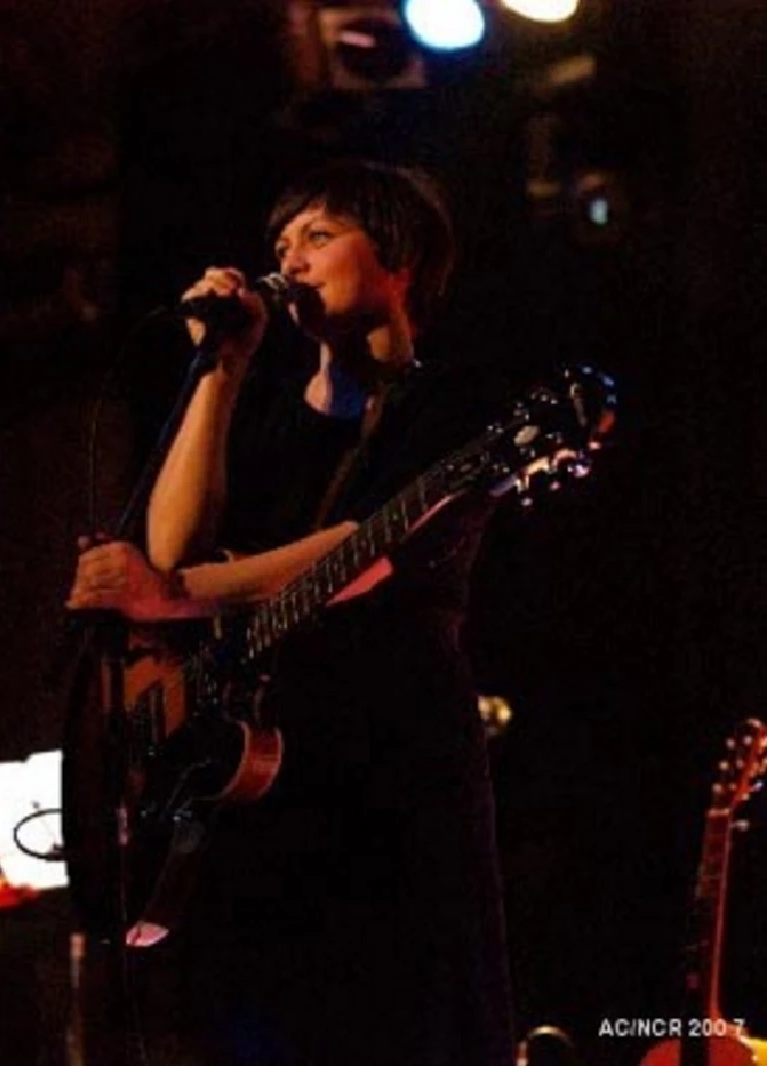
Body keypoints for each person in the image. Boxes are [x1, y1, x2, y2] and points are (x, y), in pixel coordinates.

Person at [67, 159, 515, 1066]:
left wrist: (178, 594)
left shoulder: (454, 401)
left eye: (318, 236)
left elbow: (363, 550)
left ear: (399, 257)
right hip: (253, 781)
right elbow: (174, 547)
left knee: (400, 1018)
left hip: (391, 757)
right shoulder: (268, 415)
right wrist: (221, 371)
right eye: (282, 244)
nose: (291, 261)